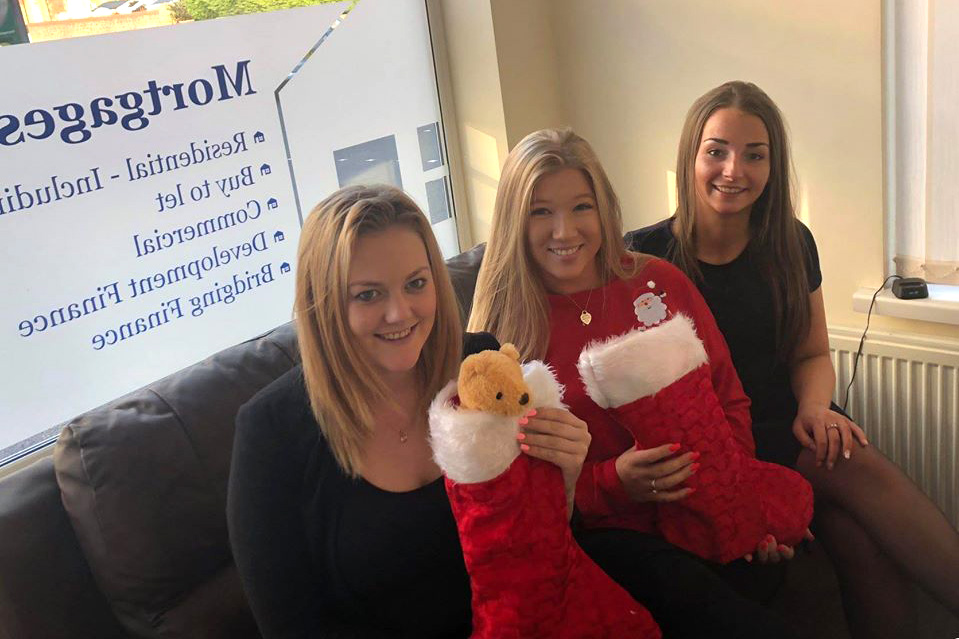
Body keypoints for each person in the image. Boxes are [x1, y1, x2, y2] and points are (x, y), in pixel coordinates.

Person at [628, 80, 959, 639]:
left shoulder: (791, 242)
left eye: (754, 155)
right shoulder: (644, 258)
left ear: (773, 165)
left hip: (790, 422)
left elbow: (810, 352)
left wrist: (816, 408)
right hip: (715, 446)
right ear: (691, 155)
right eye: (717, 151)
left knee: (855, 531)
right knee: (855, 476)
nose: (734, 170)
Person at [469, 127, 800, 638]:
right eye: (541, 212)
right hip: (606, 538)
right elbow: (515, 494)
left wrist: (735, 501)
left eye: (582, 207)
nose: (565, 231)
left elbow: (728, 397)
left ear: (604, 208)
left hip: (704, 510)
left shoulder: (659, 282)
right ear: (515, 220)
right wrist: (611, 484)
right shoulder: (500, 336)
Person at [227, 184, 592, 638]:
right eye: (367, 295)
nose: (400, 313)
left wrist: (566, 480)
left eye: (416, 284)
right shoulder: (272, 433)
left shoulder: (477, 369)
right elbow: (292, 628)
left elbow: (539, 543)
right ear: (323, 306)